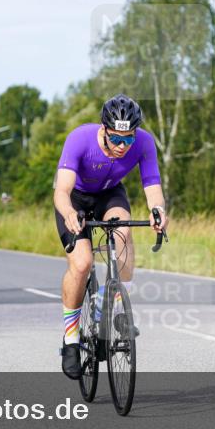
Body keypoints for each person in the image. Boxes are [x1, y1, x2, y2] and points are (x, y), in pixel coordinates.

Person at [54, 94, 168, 379]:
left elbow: (152, 184)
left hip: (109, 194)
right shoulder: (80, 139)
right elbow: (61, 191)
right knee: (81, 264)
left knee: (124, 232)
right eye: (116, 139)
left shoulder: (144, 143)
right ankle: (70, 339)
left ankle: (107, 299)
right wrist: (69, 213)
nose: (122, 146)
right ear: (103, 130)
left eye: (128, 139)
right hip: (76, 200)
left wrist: (158, 211)